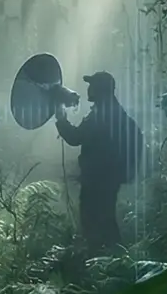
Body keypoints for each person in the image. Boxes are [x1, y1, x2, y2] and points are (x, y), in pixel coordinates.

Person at [56, 71, 142, 251]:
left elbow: (75, 137)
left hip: (97, 179)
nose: (89, 88)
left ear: (100, 89)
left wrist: (61, 118)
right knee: (106, 219)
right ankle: (113, 262)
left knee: (94, 222)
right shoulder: (114, 111)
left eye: (92, 85)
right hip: (109, 178)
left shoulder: (101, 114)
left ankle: (103, 262)